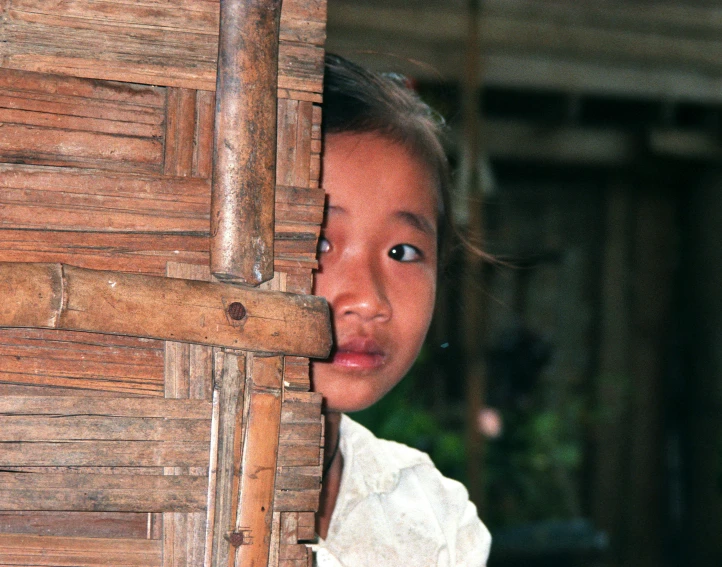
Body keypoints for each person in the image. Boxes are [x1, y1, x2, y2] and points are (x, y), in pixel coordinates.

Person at [309, 54, 492, 566]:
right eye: (318, 242)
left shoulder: (433, 517)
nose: (369, 299)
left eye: (403, 253)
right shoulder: (134, 502)